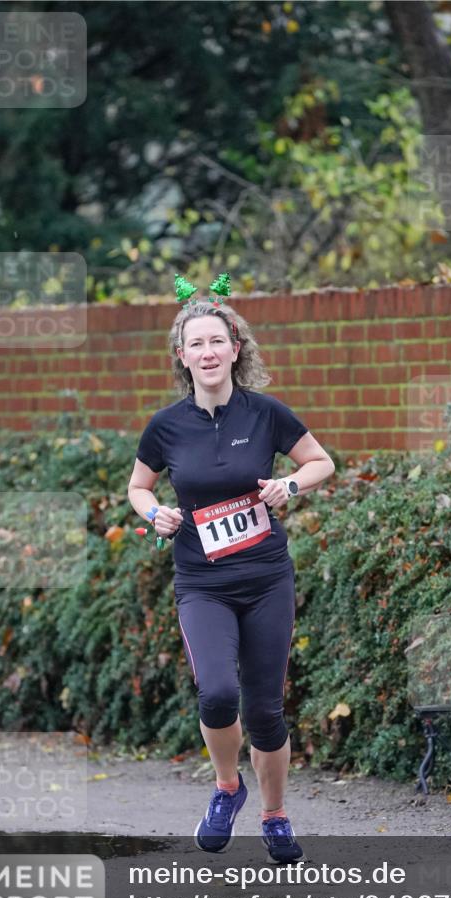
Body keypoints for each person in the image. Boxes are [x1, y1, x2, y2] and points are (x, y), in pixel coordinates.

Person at [127, 274, 335, 864]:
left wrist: (289, 483)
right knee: (217, 694)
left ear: (236, 348)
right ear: (182, 356)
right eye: (197, 344)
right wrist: (156, 514)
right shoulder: (166, 426)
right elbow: (138, 487)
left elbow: (322, 462)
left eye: (218, 341)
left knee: (266, 709)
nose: (209, 352)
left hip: (266, 577)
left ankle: (275, 814)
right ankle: (227, 788)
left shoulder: (266, 413)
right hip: (202, 582)